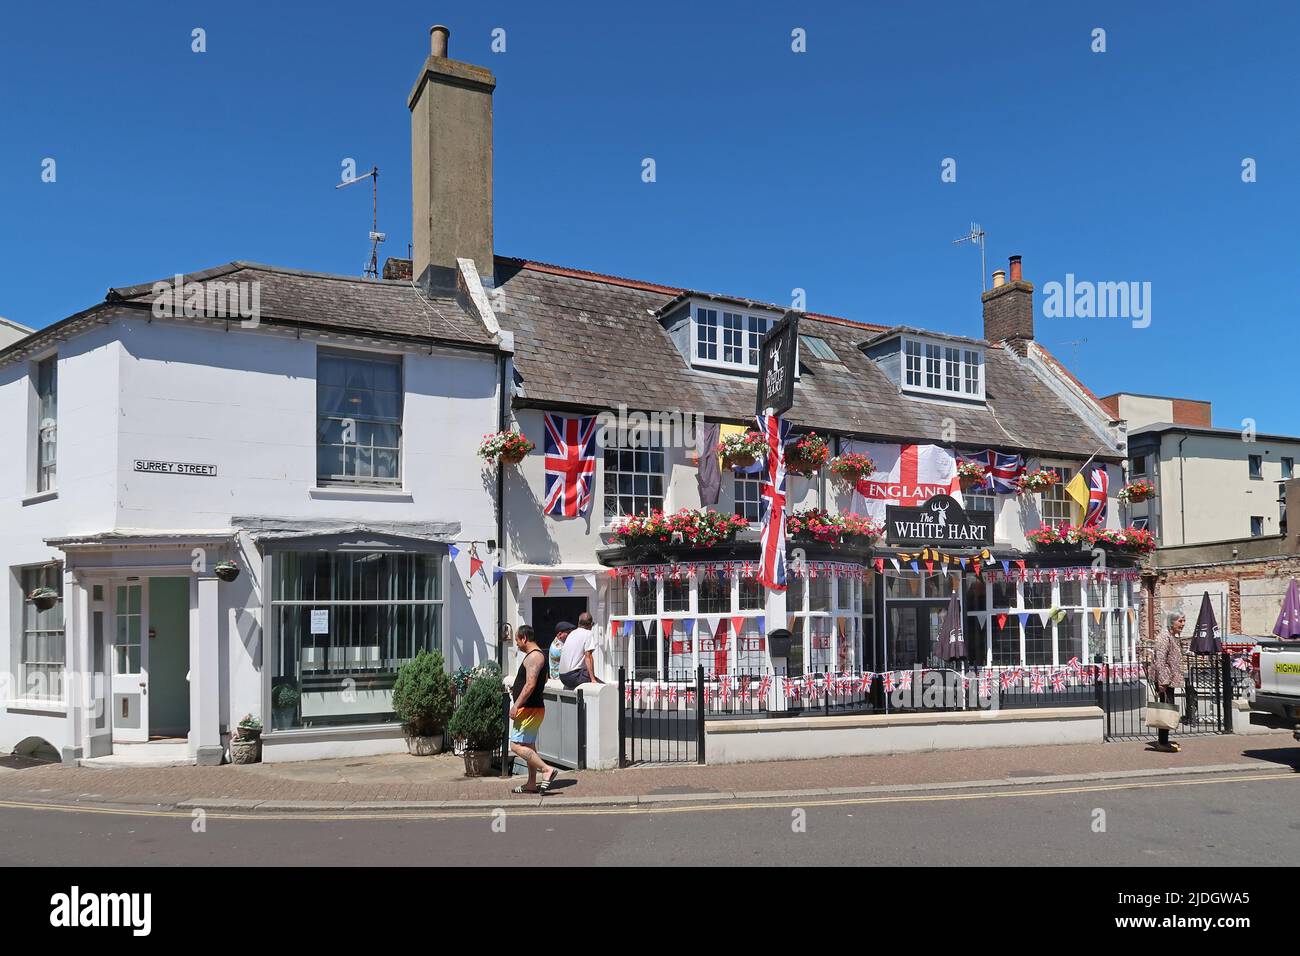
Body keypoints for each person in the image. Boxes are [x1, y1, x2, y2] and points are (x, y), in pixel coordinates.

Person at [508, 625, 560, 793]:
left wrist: (517, 704)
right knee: (528, 745)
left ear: (524, 638)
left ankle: (546, 769)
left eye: (517, 640)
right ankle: (531, 783)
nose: (517, 644)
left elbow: (530, 684)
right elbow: (542, 681)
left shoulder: (534, 657)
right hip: (533, 707)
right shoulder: (539, 655)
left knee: (515, 745)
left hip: (528, 709)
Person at [1149, 611, 1186, 753]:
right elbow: (1160, 661)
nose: (1182, 624)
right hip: (1165, 681)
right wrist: (1163, 682)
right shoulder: (1164, 637)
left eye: (1183, 621)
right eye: (1180, 621)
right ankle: (1162, 742)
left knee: (1168, 709)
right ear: (1172, 622)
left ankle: (1164, 740)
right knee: (1166, 709)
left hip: (1169, 680)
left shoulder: (1172, 637)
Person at [557, 612, 602, 690]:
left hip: (562, 677)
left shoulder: (572, 633)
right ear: (590, 624)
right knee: (600, 684)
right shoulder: (588, 634)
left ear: (578, 623)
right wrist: (593, 679)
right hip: (573, 677)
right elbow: (588, 657)